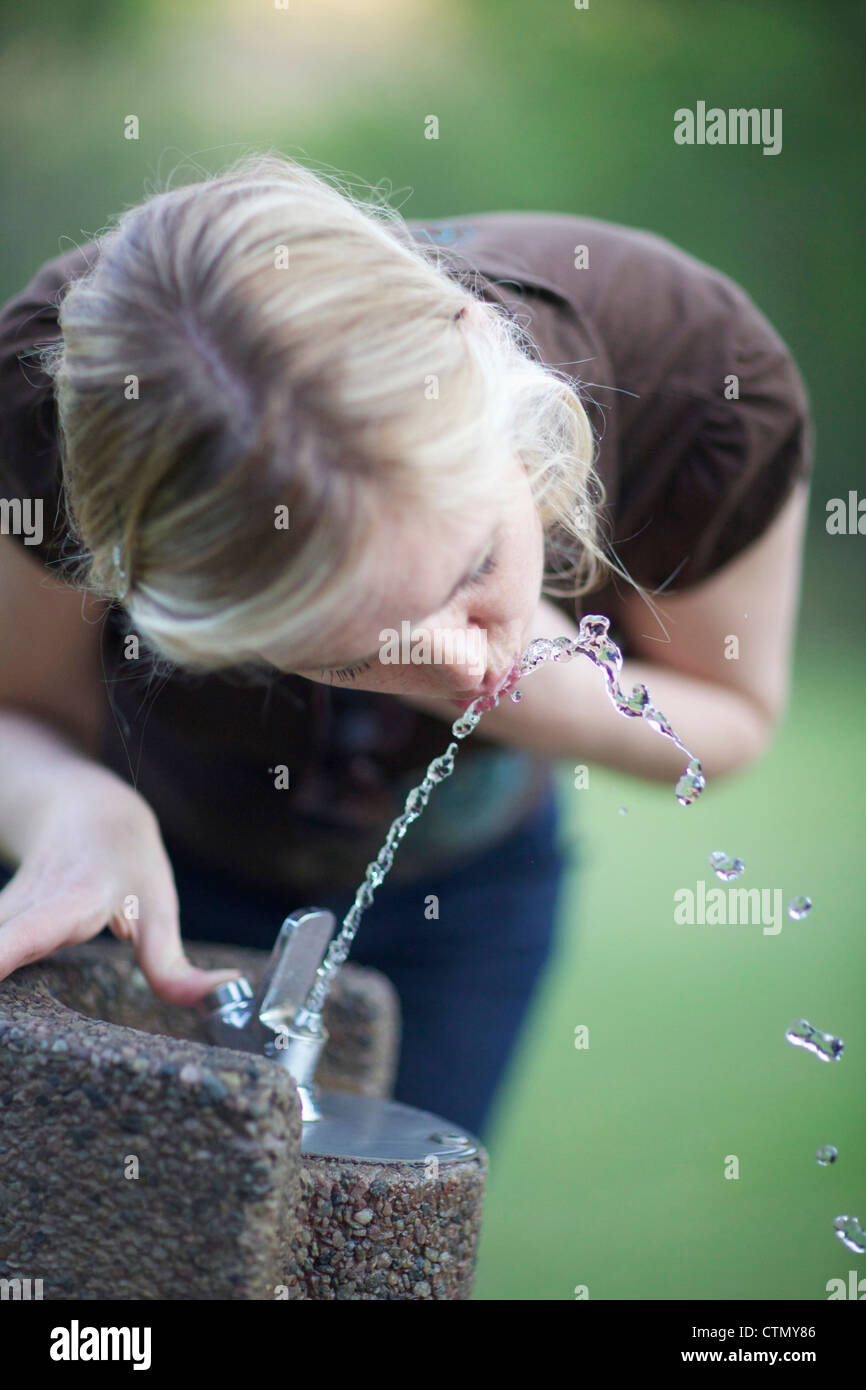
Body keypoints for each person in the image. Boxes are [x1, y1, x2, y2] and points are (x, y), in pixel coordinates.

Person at [0, 152, 812, 1140]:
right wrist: (68, 803)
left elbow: (734, 714)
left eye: (473, 567)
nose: (465, 671)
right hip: (146, 868)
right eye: (350, 656)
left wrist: (551, 699)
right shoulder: (63, 403)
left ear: (485, 363)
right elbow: (22, 708)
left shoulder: (695, 376)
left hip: (460, 893)